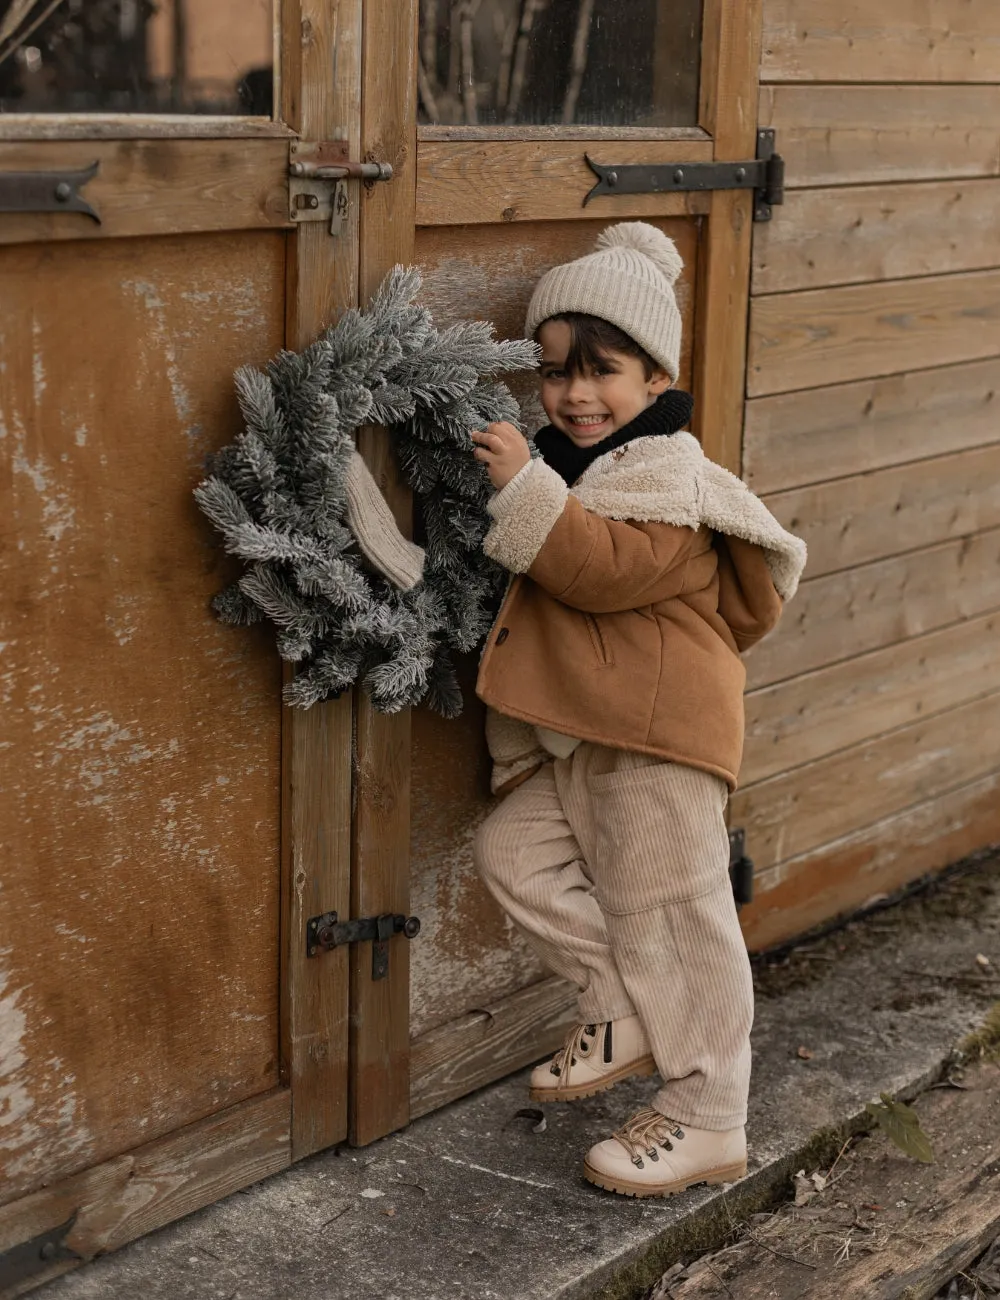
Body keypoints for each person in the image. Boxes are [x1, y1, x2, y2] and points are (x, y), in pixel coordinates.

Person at [469, 221, 807, 1198]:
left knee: (678, 917)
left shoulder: (666, 472)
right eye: (555, 373)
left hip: (657, 738)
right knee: (512, 855)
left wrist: (525, 489)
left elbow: (605, 573)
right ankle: (612, 998)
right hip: (592, 735)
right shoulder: (589, 468)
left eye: (602, 371)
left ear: (655, 378)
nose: (575, 394)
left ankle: (708, 1119)